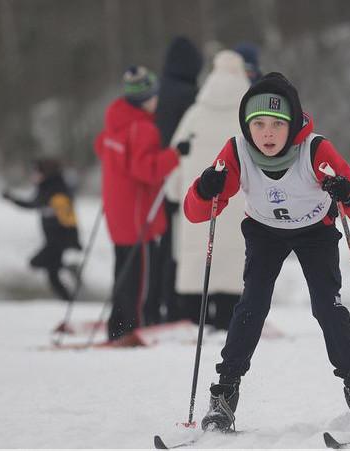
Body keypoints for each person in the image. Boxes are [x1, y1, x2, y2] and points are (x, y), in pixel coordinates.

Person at [183, 72, 350, 432]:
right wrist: (203, 188)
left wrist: (348, 193)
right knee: (252, 305)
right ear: (247, 126)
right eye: (258, 124)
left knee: (327, 306)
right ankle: (224, 395)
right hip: (264, 232)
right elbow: (197, 212)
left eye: (277, 123)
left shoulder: (316, 149)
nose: (268, 133)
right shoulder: (237, 150)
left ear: (292, 123)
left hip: (315, 232)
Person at [93, 65, 187, 341]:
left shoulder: (115, 123)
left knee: (123, 271)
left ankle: (117, 325)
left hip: (117, 212)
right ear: (146, 98)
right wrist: (174, 155)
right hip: (137, 217)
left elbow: (101, 148)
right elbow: (146, 170)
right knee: (141, 279)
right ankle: (133, 328)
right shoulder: (144, 128)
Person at [166, 50, 250, 330]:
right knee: (234, 259)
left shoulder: (195, 114)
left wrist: (175, 192)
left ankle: (194, 319)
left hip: (201, 201)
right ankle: (229, 319)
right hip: (237, 201)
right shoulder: (249, 116)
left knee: (198, 256)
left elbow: (176, 156)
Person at [151, 36, 204, 325]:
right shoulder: (188, 96)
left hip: (157, 175)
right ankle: (177, 308)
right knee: (179, 247)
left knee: (163, 247)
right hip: (179, 177)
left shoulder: (161, 91)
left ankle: (157, 305)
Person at [3, 158, 81, 301]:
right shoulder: (45, 188)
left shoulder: (57, 189)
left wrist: (73, 241)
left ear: (45, 173)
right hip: (52, 239)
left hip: (59, 240)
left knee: (37, 263)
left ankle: (70, 269)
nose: (33, 175)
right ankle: (68, 300)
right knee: (52, 274)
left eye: (36, 172)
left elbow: (69, 218)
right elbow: (32, 204)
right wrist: (12, 199)